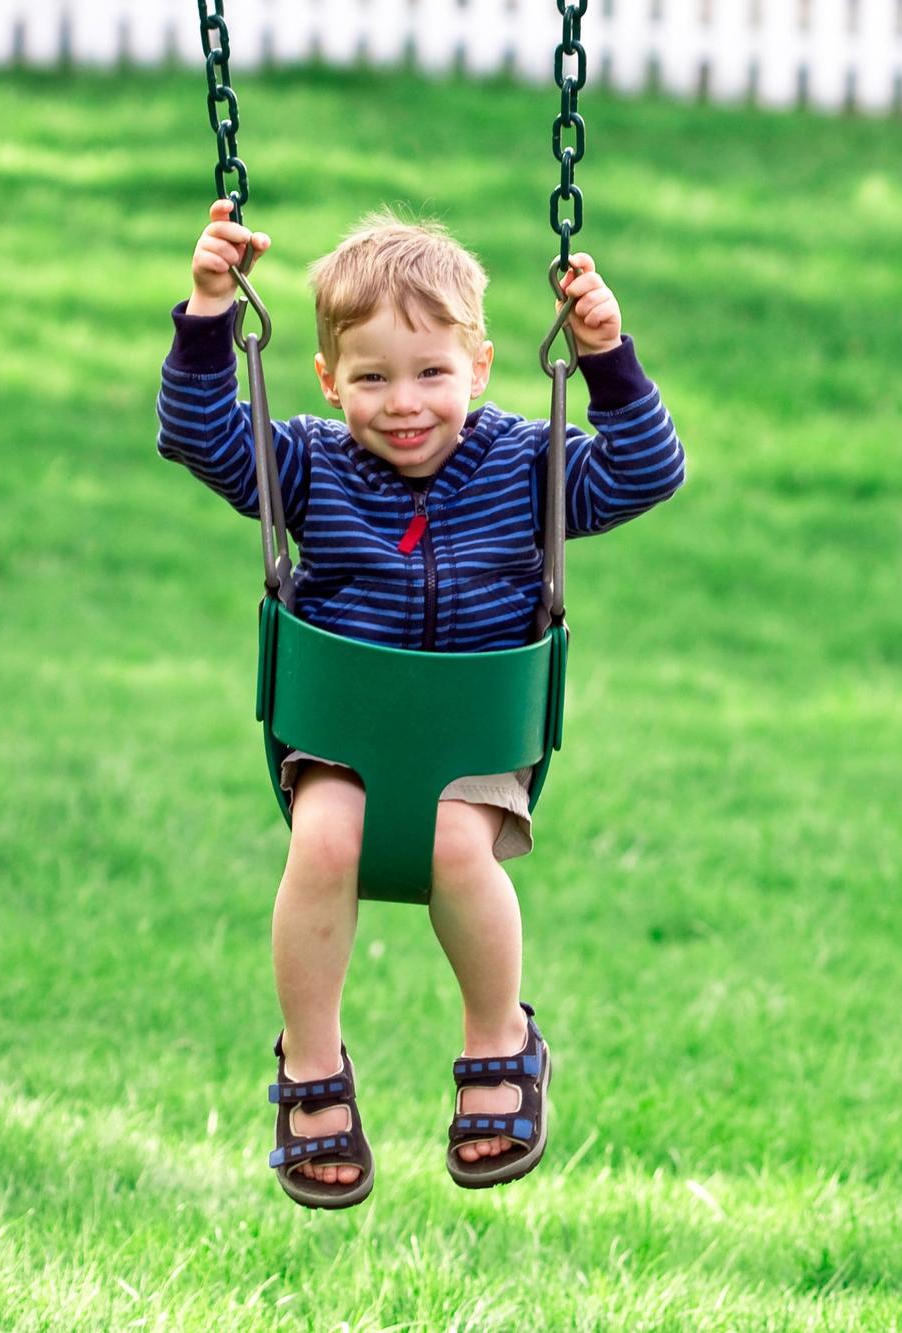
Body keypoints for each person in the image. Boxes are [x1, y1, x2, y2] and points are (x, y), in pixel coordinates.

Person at [158, 200, 685, 1208]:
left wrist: (608, 357)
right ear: (326, 380)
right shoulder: (311, 465)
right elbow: (199, 435)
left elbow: (646, 472)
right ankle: (311, 1067)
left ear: (480, 367)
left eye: (432, 374)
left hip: (471, 743)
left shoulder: (524, 466)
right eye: (371, 378)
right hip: (344, 739)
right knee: (320, 844)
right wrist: (209, 310)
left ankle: (500, 1040)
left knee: (455, 847)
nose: (404, 403)